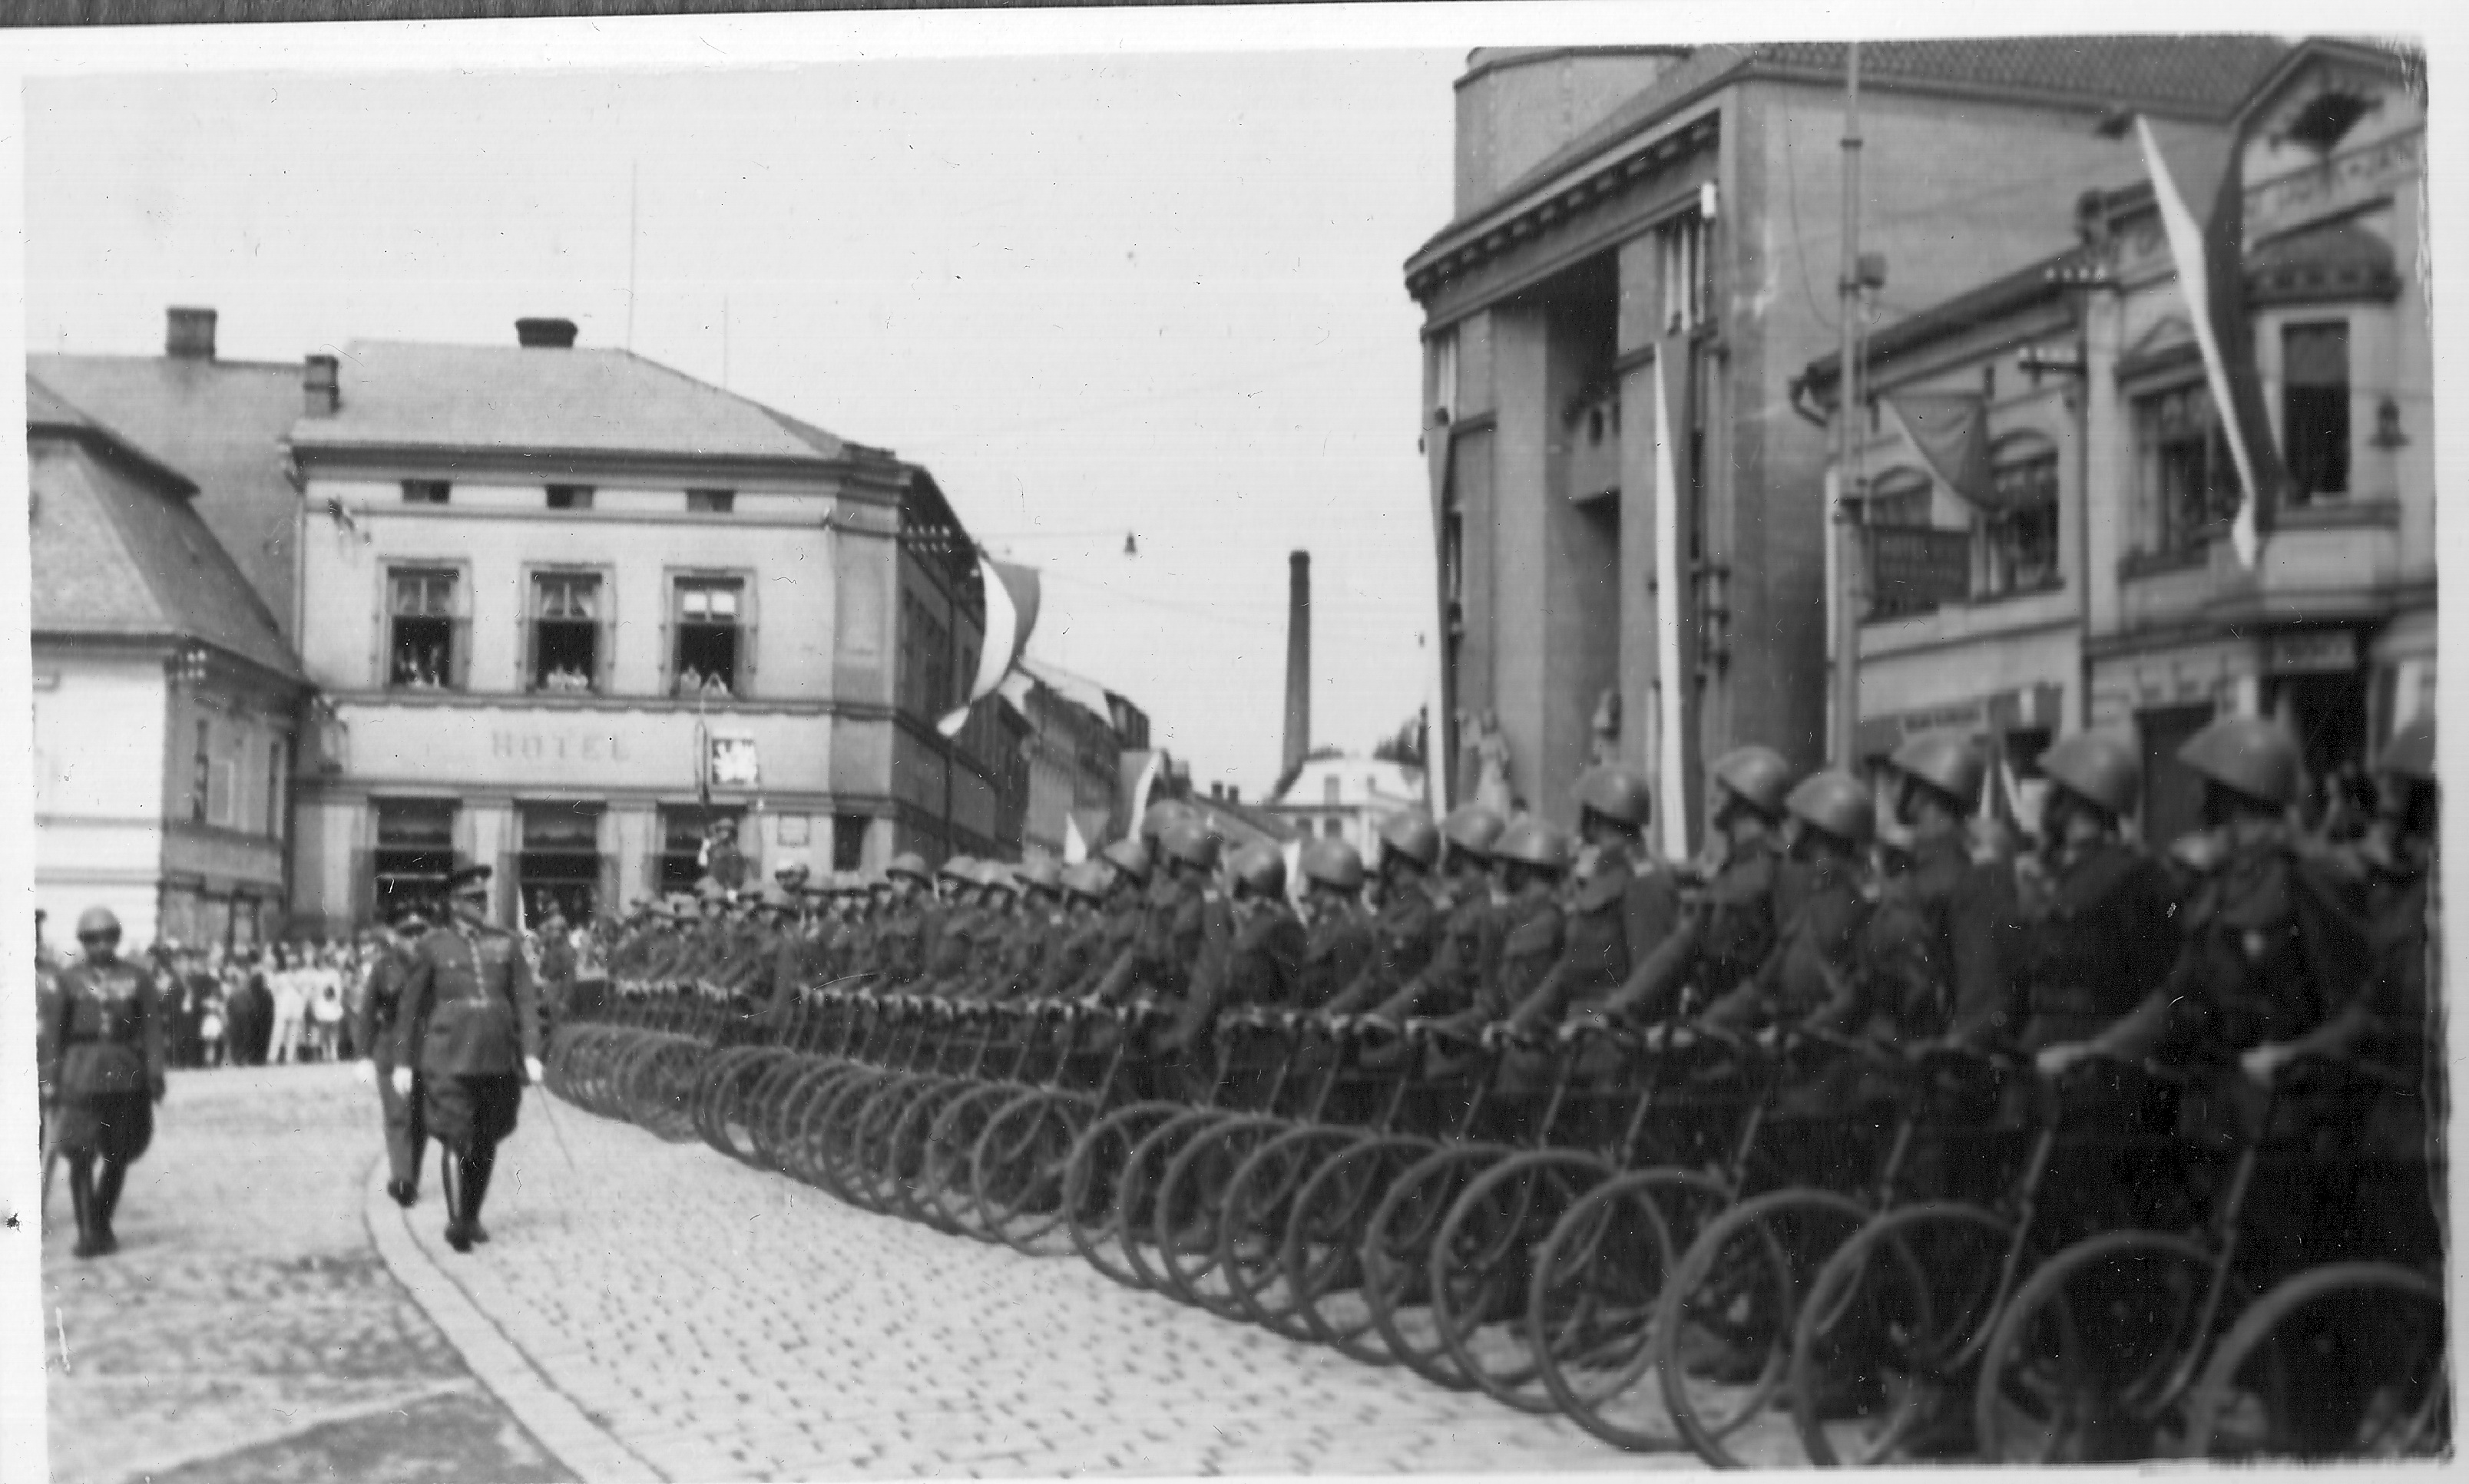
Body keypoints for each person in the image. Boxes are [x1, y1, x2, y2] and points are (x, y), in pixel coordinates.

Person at [392, 861, 544, 1254]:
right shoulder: (434, 946)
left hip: (497, 1056)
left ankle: (471, 1214)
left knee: (487, 1136)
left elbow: (525, 999)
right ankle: (457, 1220)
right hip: (448, 1056)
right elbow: (411, 1007)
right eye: (470, 899)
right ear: (453, 904)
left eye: (482, 897)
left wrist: (531, 1053)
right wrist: (404, 1062)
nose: (479, 904)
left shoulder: (506, 943)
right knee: (457, 1134)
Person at [42, 907, 167, 1260]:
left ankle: (101, 1220)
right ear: (82, 943)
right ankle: (87, 1233)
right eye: (92, 939)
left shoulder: (137, 978)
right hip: (79, 1075)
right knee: (79, 1154)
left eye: (108, 938)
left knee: (119, 1153)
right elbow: (55, 1035)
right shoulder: (68, 981)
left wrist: (154, 1074)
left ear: (117, 939)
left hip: (125, 1075)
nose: (101, 945)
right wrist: (50, 1079)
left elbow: (152, 1031)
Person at [358, 906, 431, 1208]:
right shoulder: (383, 968)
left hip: (425, 1049)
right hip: (390, 1045)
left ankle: (409, 1173)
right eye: (407, 934)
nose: (414, 940)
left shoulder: (433, 967)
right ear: (396, 937)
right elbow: (366, 1011)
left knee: (421, 1119)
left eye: (420, 933)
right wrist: (363, 1053)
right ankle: (402, 1179)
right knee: (397, 1115)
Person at [269, 947, 306, 1064]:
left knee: (293, 1035)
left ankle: (289, 1058)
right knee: (278, 1034)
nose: (292, 966)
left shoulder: (302, 976)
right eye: (290, 964)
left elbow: (304, 993)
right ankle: (272, 1057)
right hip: (282, 1008)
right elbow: (273, 991)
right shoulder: (281, 977)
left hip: (296, 1009)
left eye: (294, 964)